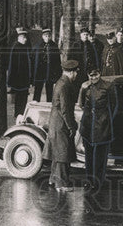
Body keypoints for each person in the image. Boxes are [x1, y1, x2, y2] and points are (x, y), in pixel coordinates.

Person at [79, 67, 117, 191]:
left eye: (95, 75)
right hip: (88, 126)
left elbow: (114, 105)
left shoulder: (108, 87)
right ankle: (89, 180)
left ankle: (98, 182)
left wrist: (107, 119)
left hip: (102, 127)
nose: (93, 78)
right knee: (88, 157)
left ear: (99, 74)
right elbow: (82, 104)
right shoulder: (85, 87)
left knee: (100, 158)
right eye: (91, 76)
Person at [46, 59, 80, 190]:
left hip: (56, 122)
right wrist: (71, 126)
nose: (76, 75)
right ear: (71, 72)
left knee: (57, 152)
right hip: (61, 123)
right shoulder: (65, 85)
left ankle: (53, 179)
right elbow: (65, 109)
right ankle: (62, 184)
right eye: (75, 72)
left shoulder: (60, 82)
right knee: (62, 154)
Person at [6, 26, 34, 118]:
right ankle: (18, 114)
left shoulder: (25, 47)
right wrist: (11, 79)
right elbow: (12, 65)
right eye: (23, 37)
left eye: (25, 37)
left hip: (25, 77)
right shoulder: (16, 47)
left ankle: (22, 113)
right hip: (18, 78)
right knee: (19, 98)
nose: (25, 39)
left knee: (24, 97)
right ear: (19, 38)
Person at [33, 26, 62, 103]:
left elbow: (58, 62)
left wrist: (57, 74)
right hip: (40, 71)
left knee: (50, 90)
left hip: (50, 72)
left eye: (49, 36)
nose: (47, 37)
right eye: (45, 36)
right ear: (42, 36)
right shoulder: (38, 46)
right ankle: (35, 104)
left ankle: (49, 105)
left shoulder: (54, 46)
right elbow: (33, 60)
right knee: (38, 90)